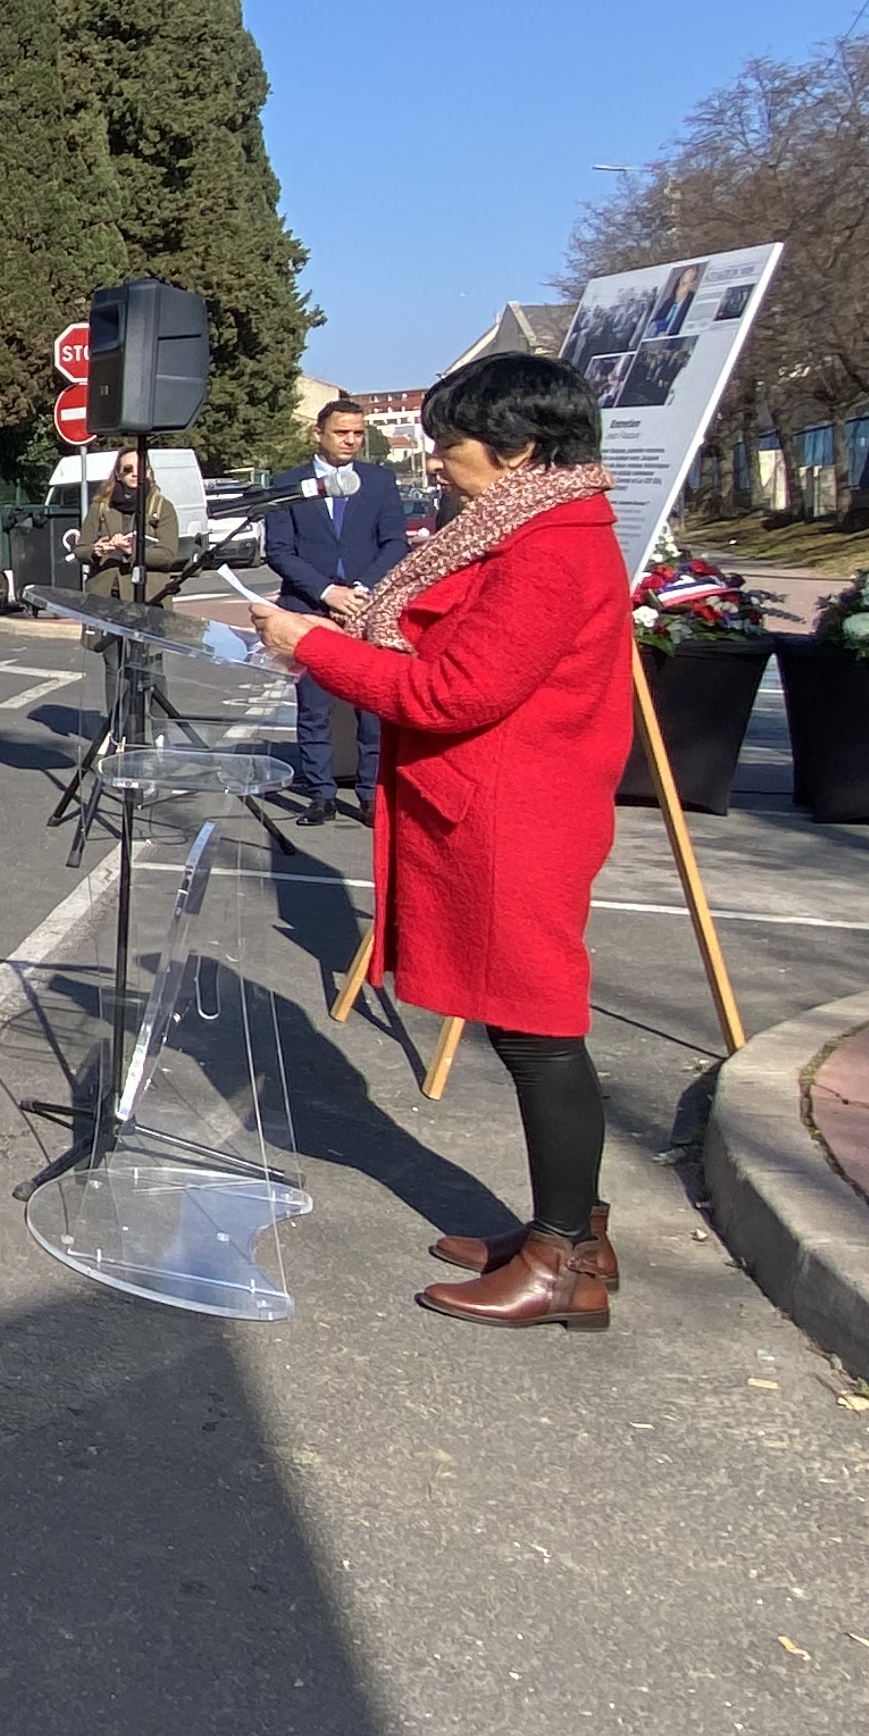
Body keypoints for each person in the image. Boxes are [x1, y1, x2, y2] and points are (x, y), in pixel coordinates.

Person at [252, 355, 630, 1329]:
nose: (438, 459)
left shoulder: (549, 546)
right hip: (503, 803)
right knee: (525, 1026)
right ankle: (570, 1231)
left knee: (538, 1031)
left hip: (518, 813)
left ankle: (562, 1260)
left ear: (519, 450)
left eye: (451, 443)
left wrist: (315, 648)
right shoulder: (520, 527)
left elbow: (454, 692)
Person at [263, 401, 412, 825]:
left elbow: (394, 543)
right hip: (310, 608)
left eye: (357, 434)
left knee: (371, 709)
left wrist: (361, 591)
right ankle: (320, 794)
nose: (350, 441)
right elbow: (279, 550)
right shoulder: (289, 484)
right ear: (319, 434)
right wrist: (328, 593)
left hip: (367, 607)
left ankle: (370, 795)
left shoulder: (379, 481)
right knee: (313, 708)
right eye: (342, 433)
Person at [79, 445, 184, 601]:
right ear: (118, 474)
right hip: (105, 595)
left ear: (148, 472)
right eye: (128, 469)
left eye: (140, 468)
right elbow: (80, 549)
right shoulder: (100, 507)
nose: (135, 474)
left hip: (149, 594)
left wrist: (132, 551)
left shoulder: (162, 506)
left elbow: (168, 555)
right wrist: (96, 550)